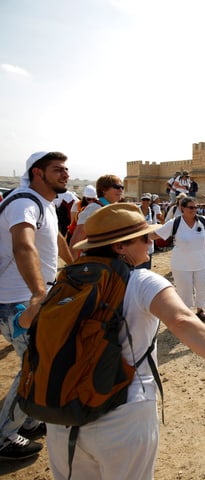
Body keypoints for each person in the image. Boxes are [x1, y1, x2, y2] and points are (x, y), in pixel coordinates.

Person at [45, 203, 205, 479]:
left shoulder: (66, 279)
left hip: (61, 415)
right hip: (122, 415)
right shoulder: (142, 280)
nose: (150, 243)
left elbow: (29, 321)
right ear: (120, 247)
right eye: (144, 238)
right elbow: (182, 321)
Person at [0, 152, 74, 460]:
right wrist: (36, 293)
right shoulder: (23, 203)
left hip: (29, 297)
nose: (65, 174)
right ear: (37, 173)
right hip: (17, 302)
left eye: (66, 169)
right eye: (57, 169)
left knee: (36, 362)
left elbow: (54, 236)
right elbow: (23, 244)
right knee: (37, 365)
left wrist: (72, 265)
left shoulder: (45, 204)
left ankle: (29, 421)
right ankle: (3, 436)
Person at [69, 174, 125, 251]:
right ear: (104, 190)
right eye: (117, 187)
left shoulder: (113, 208)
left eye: (122, 187)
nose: (121, 190)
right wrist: (73, 262)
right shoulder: (94, 208)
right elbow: (77, 238)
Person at [138, 193, 159, 269]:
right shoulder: (136, 211)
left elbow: (154, 224)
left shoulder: (152, 212)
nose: (145, 202)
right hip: (138, 238)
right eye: (144, 200)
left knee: (147, 263)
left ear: (150, 201)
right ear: (141, 201)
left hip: (148, 238)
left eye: (147, 200)